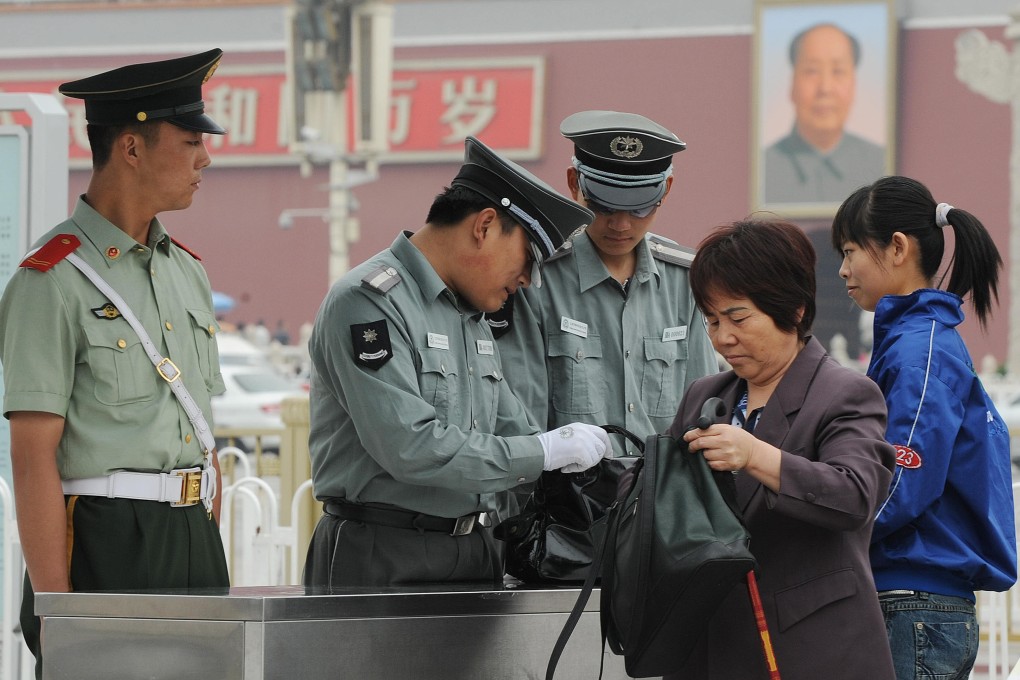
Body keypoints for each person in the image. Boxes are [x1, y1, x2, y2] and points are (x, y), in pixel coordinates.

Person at [0, 49, 231, 678]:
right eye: (189, 141)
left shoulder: (188, 272)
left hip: (191, 533)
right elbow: (32, 456)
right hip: (107, 537)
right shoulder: (51, 280)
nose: (204, 158)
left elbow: (201, 429)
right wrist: (55, 606)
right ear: (131, 147)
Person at [303, 135, 611, 588]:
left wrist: (570, 456)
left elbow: (512, 427)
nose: (528, 280)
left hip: (474, 549)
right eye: (528, 258)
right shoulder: (370, 302)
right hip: (384, 550)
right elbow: (409, 447)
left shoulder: (471, 316)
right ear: (484, 226)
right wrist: (542, 451)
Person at [665, 219, 896, 679]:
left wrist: (754, 456)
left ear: (792, 309)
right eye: (711, 321)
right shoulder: (704, 395)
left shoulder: (846, 393)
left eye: (738, 318)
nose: (722, 337)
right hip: (711, 647)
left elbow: (855, 495)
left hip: (810, 650)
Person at [831, 176, 1017, 680]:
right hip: (917, 604)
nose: (843, 270)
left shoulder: (919, 349)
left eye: (850, 251)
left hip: (912, 605)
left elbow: (902, 479)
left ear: (897, 248)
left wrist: (832, 533)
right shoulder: (915, 341)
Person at [492, 110, 717, 456]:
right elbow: (524, 420)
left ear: (666, 189)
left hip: (658, 498)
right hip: (568, 499)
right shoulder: (537, 280)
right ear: (573, 183)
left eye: (640, 208)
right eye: (604, 207)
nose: (621, 225)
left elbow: (701, 416)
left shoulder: (683, 281)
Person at [764, 23, 885, 204]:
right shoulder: (764, 167)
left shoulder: (879, 162)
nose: (825, 88)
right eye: (812, 71)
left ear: (854, 85)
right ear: (792, 84)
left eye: (838, 71)